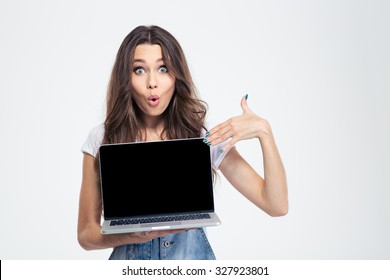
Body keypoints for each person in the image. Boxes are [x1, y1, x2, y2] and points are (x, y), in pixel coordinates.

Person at [77, 25, 288, 260]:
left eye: (163, 68)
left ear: (177, 75)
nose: (152, 83)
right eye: (138, 70)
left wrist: (264, 132)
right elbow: (86, 234)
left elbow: (276, 205)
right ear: (125, 78)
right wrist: (133, 235)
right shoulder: (102, 138)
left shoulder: (203, 136)